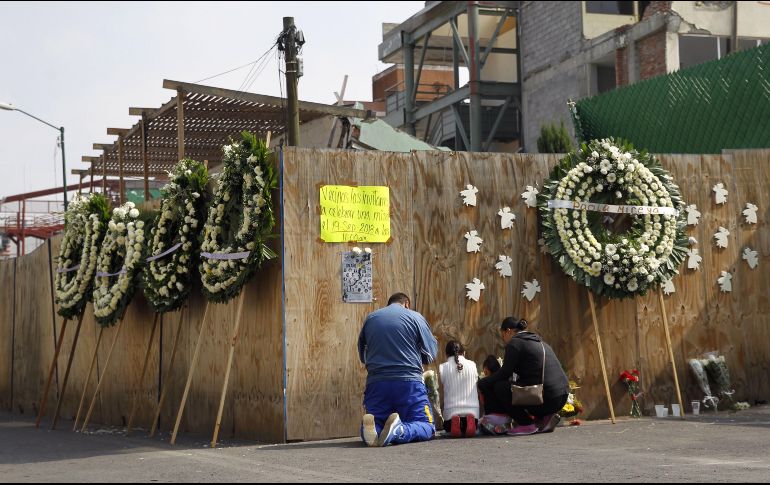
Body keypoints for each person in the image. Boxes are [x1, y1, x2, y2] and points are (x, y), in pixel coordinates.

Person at [358, 292, 438, 447]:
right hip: (409, 384)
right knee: (427, 425)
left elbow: (363, 356)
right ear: (407, 303)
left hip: (376, 384)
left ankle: (372, 429)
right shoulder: (415, 317)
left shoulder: (371, 318)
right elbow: (430, 354)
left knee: (377, 419)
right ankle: (400, 430)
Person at [477, 317, 569, 436]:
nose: (504, 340)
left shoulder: (515, 343)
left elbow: (505, 373)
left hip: (546, 397)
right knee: (517, 385)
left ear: (508, 331)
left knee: (500, 387)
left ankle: (526, 424)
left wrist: (483, 382)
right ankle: (544, 418)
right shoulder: (539, 341)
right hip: (561, 396)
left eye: (503, 335)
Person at [438, 340, 480, 438]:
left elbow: (443, 388)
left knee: (448, 428)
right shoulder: (472, 365)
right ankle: (469, 422)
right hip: (473, 412)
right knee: (472, 423)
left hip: (450, 414)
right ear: (464, 353)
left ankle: (455, 421)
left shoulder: (443, 367)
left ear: (446, 355)